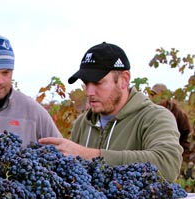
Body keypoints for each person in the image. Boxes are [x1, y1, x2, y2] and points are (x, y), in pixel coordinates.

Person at [39, 42, 183, 182]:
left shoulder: (154, 118)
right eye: (86, 83)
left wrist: (88, 155)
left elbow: (167, 165)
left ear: (124, 80)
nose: (89, 92)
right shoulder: (82, 124)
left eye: (97, 83)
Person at [150, 83, 193, 162]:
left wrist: (183, 158)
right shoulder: (148, 112)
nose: (154, 98)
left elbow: (187, 136)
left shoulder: (178, 113)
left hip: (175, 156)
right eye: (152, 95)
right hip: (154, 155)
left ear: (166, 97)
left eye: (157, 95)